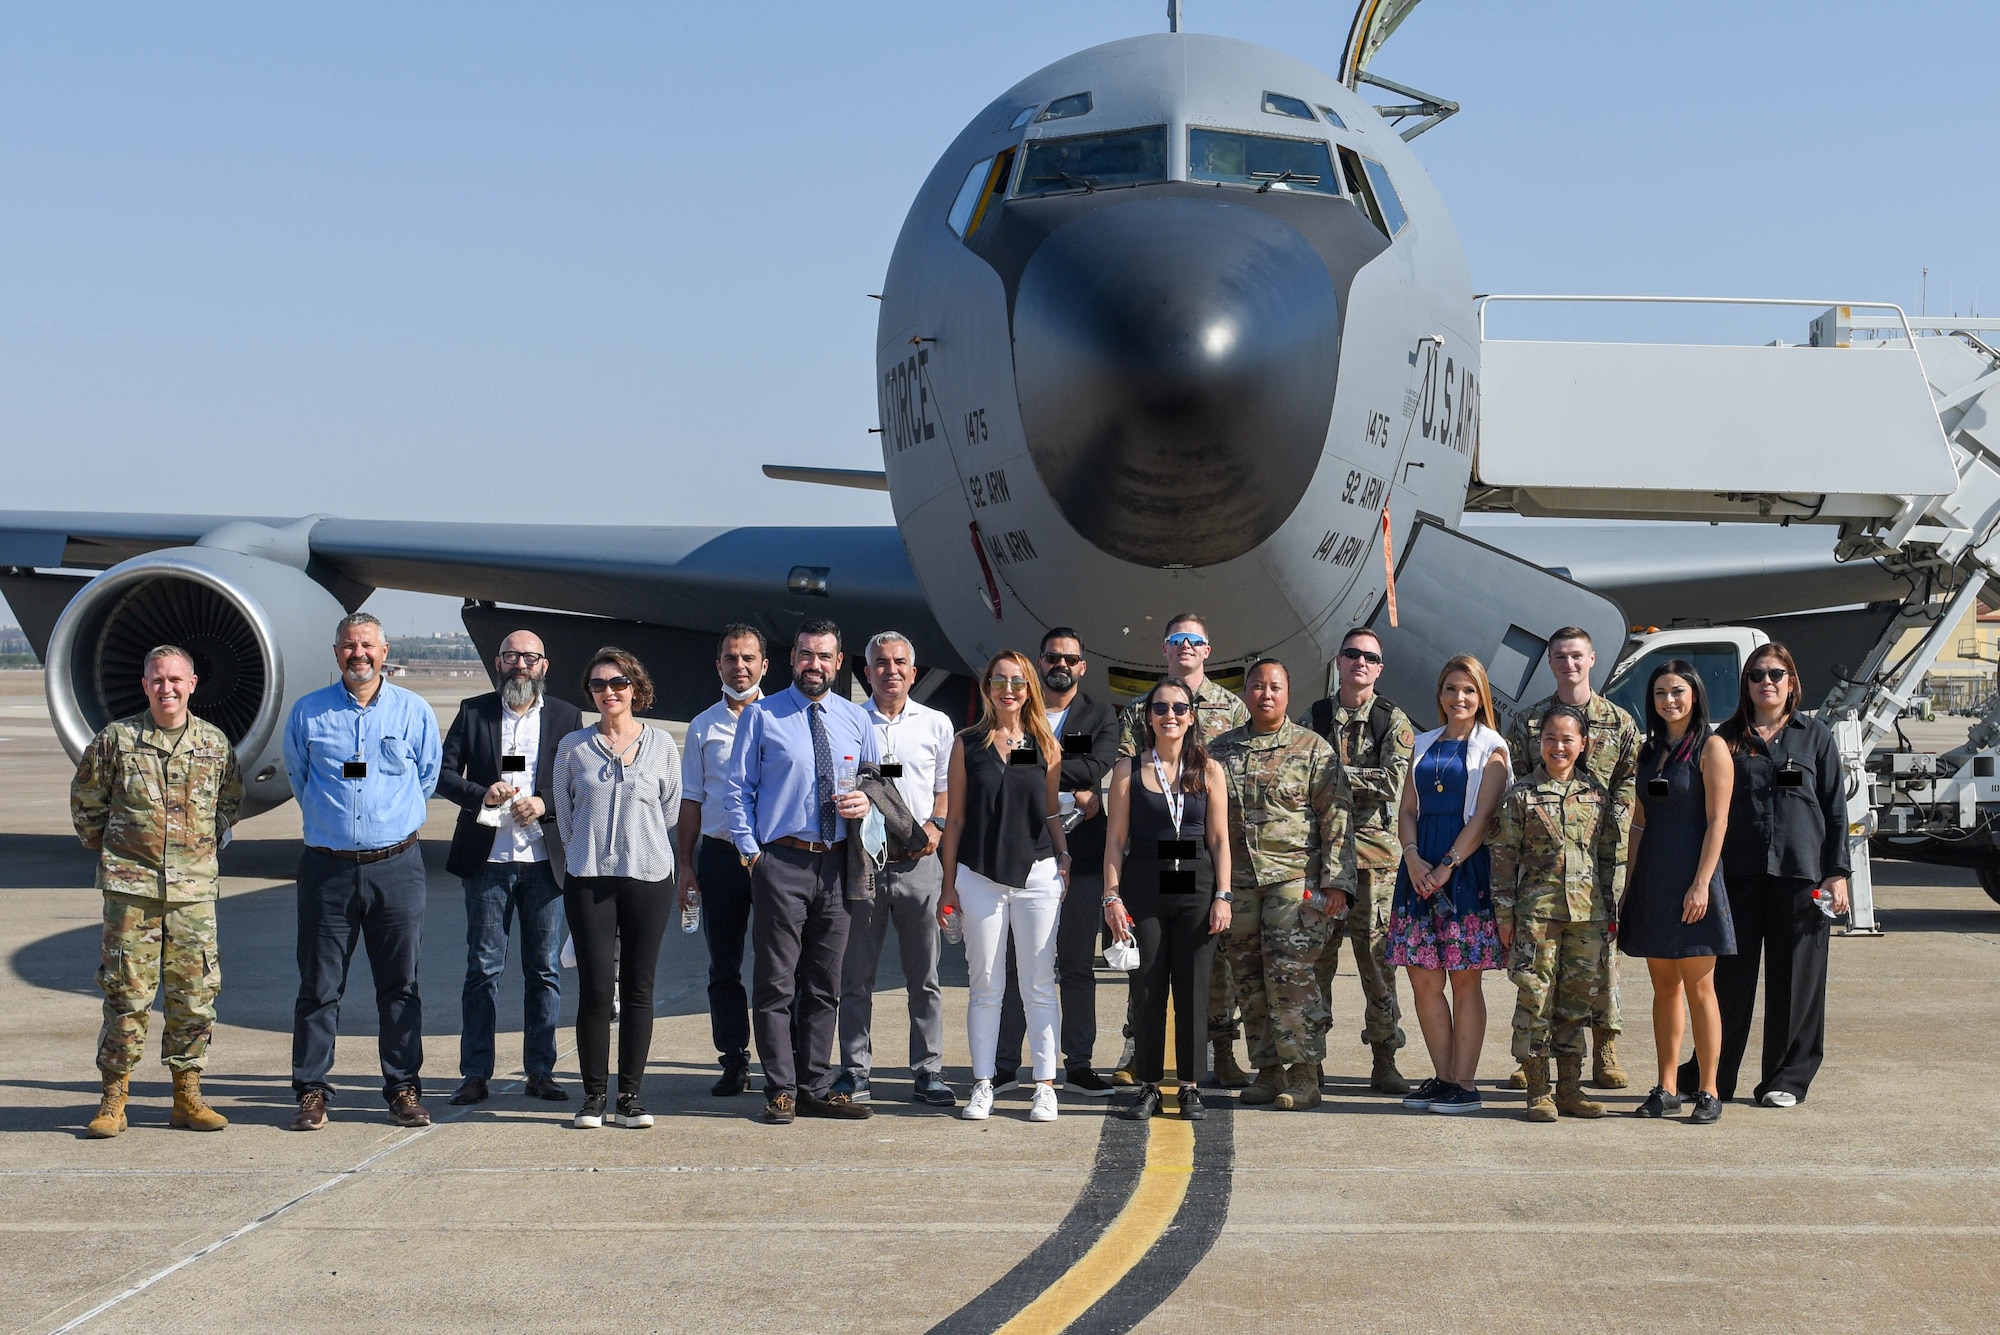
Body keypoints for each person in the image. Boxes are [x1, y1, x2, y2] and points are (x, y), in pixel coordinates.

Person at [71, 645, 243, 1138]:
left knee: (194, 995)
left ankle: (187, 1096)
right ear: (145, 685)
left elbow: (229, 803)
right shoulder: (117, 740)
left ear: (192, 684)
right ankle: (113, 1099)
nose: (166, 688)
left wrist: (199, 852)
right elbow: (86, 803)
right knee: (126, 994)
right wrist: (119, 856)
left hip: (192, 893)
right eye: (157, 680)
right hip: (133, 892)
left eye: (175, 679)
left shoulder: (214, 744)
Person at [283, 612, 442, 1131]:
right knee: (319, 985)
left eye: (367, 646)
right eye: (349, 646)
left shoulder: (413, 712)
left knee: (400, 985)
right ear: (336, 653)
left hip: (395, 867)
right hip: (327, 871)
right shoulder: (308, 714)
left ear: (384, 650)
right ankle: (311, 1089)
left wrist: (384, 826)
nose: (359, 654)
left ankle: (402, 1087)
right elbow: (300, 778)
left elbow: (426, 775)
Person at [725, 620, 880, 1125]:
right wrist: (752, 854)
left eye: (825, 657)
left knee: (823, 982)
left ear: (839, 663)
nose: (816, 665)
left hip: (837, 863)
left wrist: (867, 802)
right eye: (807, 656)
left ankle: (815, 1085)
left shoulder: (856, 719)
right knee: (776, 982)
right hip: (782, 861)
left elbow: (879, 781)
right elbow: (736, 790)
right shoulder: (762, 716)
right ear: (793, 660)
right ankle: (780, 1089)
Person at [1681, 642, 1847, 1108]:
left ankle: (1786, 1079)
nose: (1766, 682)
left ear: (1792, 682)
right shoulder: (1724, 739)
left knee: (1796, 981)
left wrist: (1838, 874)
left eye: (1777, 674)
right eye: (1757, 675)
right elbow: (1704, 810)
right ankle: (1712, 1074)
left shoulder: (1815, 737)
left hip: (1802, 875)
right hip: (1738, 876)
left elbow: (1835, 810)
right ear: (1746, 684)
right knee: (1727, 982)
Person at [436, 630, 583, 1106]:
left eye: (529, 657)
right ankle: (475, 1073)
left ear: (544, 664)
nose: (520, 664)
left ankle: (541, 1070)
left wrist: (546, 804)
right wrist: (483, 793)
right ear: (497, 663)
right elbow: (441, 775)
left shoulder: (565, 716)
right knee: (483, 969)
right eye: (511, 656)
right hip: (488, 862)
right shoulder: (473, 711)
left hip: (544, 864)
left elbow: (578, 786)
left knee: (543, 970)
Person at [1211, 659, 1351, 1112]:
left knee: (1292, 978)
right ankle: (1268, 1071)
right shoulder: (1219, 751)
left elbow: (1337, 820)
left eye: (1274, 687)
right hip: (1239, 884)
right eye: (1256, 686)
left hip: (1294, 881)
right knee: (1248, 979)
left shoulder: (1314, 749)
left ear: (1288, 693)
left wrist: (1337, 884)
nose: (1265, 695)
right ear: (1245, 693)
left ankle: (1305, 1074)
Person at [1117, 613, 1250, 1087]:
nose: (1169, 716)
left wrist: (1225, 889)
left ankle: (1221, 1053)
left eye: (1194, 640)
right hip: (1152, 862)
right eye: (1177, 640)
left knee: (1208, 980)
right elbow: (1128, 773)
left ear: (1207, 649)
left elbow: (1233, 787)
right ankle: (1142, 1058)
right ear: (1165, 648)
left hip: (1202, 858)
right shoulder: (1138, 710)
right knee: (1149, 980)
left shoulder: (1233, 708)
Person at [939, 650, 1071, 1124]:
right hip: (979, 877)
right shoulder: (967, 744)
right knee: (985, 986)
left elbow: (1051, 811)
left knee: (1038, 984)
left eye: (1018, 681)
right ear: (987, 687)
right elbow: (954, 819)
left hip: (1036, 875)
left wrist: (1064, 855)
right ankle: (982, 1084)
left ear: (1030, 687)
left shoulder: (1046, 743)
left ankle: (1045, 1085)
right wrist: (948, 884)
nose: (1009, 689)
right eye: (1000, 681)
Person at [551, 647, 681, 1130]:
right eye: (600, 685)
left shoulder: (663, 745)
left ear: (636, 688)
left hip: (648, 877)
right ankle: (593, 1096)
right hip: (588, 879)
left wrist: (635, 843)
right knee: (596, 989)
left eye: (619, 683)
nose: (610, 692)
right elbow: (565, 816)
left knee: (640, 988)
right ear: (590, 693)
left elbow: (668, 812)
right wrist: (592, 854)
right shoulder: (572, 747)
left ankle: (631, 1096)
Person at [1505, 628, 1640, 1090]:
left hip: (1601, 852)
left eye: (1577, 655)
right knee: (1538, 968)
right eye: (1560, 656)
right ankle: (1534, 1061)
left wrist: (1612, 820)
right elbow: (1521, 785)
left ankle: (1604, 1045)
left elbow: (1629, 780)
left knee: (1599, 957)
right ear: (1550, 662)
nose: (1569, 663)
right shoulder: (1528, 722)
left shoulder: (1618, 721)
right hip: (1545, 863)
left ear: (1592, 659)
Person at [991, 627, 1122, 1096]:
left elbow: (1095, 767)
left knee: (1075, 964)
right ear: (1038, 664)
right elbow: (1006, 762)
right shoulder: (1016, 713)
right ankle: (1005, 1063)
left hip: (1082, 857)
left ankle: (1080, 1063)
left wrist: (1041, 762)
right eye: (1050, 657)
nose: (1059, 665)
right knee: (1015, 962)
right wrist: (1068, 774)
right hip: (1022, 852)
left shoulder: (1102, 715)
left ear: (1082, 667)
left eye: (1069, 657)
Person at [832, 631, 958, 1107]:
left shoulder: (935, 724)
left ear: (914, 670)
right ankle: (854, 1069)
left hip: (917, 865)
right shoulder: (847, 721)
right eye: (880, 663)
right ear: (866, 673)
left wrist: (936, 828)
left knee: (924, 976)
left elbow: (945, 786)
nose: (891, 670)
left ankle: (928, 1071)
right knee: (856, 975)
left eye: (900, 662)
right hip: (862, 863)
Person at [1103, 678, 1232, 1120]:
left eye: (1179, 708)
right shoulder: (1128, 770)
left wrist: (1224, 896)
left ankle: (1191, 1086)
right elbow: (1115, 840)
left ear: (1191, 716)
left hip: (1196, 890)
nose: (1170, 715)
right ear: (1148, 716)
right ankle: (1149, 1085)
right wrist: (1112, 897)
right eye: (1160, 708)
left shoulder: (1209, 770)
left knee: (1194, 992)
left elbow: (1219, 839)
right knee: (1147, 989)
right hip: (1144, 889)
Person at [1490, 707, 1625, 1121]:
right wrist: (1505, 915)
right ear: (1539, 744)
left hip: (1588, 917)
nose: (1559, 746)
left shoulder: (1598, 795)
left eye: (1568, 739)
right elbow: (1502, 857)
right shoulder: (1522, 795)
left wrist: (1612, 911)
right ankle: (1537, 1090)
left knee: (1576, 1003)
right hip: (1537, 915)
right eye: (1550, 738)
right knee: (1535, 999)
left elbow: (1608, 856)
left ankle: (1570, 1088)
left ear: (1583, 744)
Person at [1390, 654, 1509, 1114]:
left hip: (1464, 874)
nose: (1458, 698)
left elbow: (1482, 819)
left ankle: (1465, 1083)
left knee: (1464, 982)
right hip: (1418, 872)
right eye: (1450, 689)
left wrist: (1446, 867)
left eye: (1468, 690)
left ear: (1481, 697)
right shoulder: (1422, 744)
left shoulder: (1492, 749)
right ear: (1439, 695)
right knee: (1423, 979)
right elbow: (1406, 810)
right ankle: (1442, 1077)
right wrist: (1414, 858)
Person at [1620, 660, 1734, 1125]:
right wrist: (1629, 886)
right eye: (1661, 692)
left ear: (1695, 694)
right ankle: (1666, 1086)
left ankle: (1708, 1088)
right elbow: (1639, 822)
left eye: (1678, 691)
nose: (1670, 700)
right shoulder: (1648, 754)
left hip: (1694, 878)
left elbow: (1718, 821)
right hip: (1654, 879)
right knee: (1663, 987)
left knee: (1700, 986)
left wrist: (1702, 882)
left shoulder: (1711, 747)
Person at [1303, 626, 1415, 1096]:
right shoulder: (1316, 715)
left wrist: (1334, 774)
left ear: (1379, 668)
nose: (1360, 663)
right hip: (1324, 860)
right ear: (1339, 661)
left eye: (1369, 657)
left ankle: (1384, 1058)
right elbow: (1299, 775)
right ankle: (1311, 1061)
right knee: (1316, 962)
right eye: (1352, 654)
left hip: (1374, 861)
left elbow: (1393, 780)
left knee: (1377, 962)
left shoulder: (1393, 720)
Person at [676, 624, 769, 1097]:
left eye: (748, 658)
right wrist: (686, 865)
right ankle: (734, 1058)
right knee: (724, 966)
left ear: (764, 665)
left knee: (778, 965)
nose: (740, 666)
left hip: (772, 859)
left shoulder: (780, 718)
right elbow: (691, 800)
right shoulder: (703, 725)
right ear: (719, 665)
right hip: (718, 857)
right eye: (731, 658)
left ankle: (782, 1062)